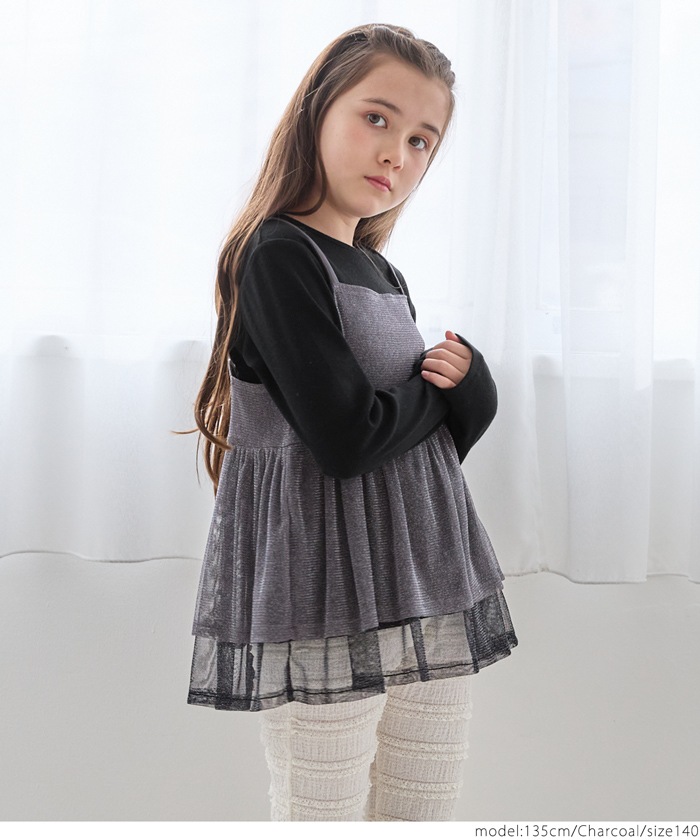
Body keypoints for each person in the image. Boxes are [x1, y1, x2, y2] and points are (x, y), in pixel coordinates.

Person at [185, 22, 518, 821]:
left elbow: (417, 457)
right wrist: (442, 394)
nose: (396, 153)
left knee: (420, 804)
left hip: (422, 573)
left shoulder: (380, 269)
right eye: (376, 118)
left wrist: (473, 393)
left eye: (421, 140)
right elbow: (347, 440)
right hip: (321, 585)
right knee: (322, 808)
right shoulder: (277, 254)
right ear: (317, 108)